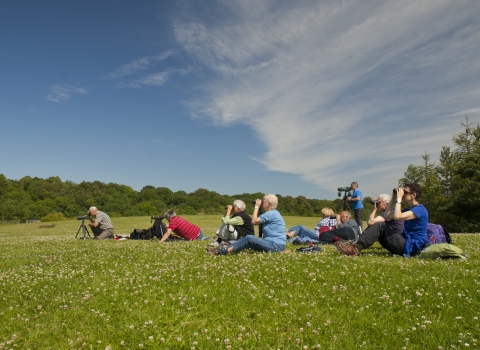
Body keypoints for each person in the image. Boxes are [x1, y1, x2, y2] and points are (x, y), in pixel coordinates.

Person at [336, 183, 428, 257]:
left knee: (381, 225)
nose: (403, 193)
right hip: (405, 243)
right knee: (379, 225)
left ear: (414, 195)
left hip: (412, 247)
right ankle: (354, 244)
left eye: (405, 192)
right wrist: (393, 197)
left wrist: (399, 199)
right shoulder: (408, 210)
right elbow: (388, 214)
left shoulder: (420, 209)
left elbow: (397, 216)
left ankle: (354, 249)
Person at [206, 194, 286, 255]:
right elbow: (257, 219)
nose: (262, 203)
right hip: (273, 245)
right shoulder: (271, 213)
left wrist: (256, 207)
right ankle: (223, 249)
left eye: (263, 202)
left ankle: (223, 251)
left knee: (249, 238)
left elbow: (254, 221)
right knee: (245, 239)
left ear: (269, 204)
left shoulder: (271, 213)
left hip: (275, 246)